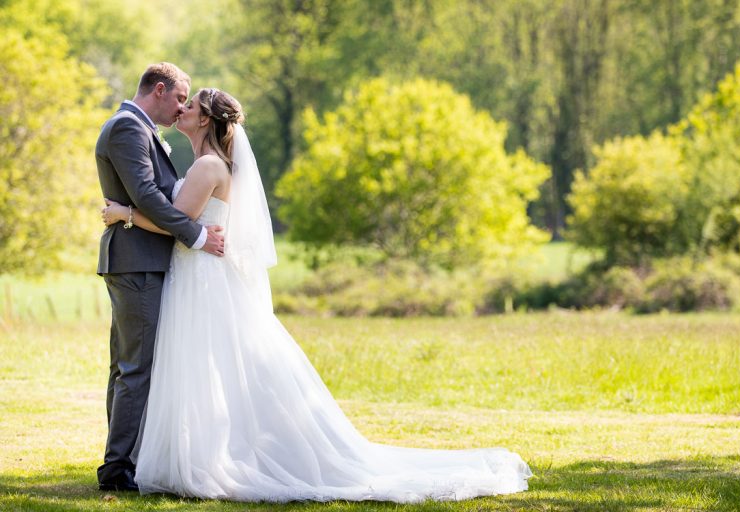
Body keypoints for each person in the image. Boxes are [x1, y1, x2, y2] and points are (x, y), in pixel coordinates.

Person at [100, 87, 532, 503]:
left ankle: (205, 456)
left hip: (202, 279)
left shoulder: (207, 167)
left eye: (189, 104)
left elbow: (179, 224)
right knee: (200, 369)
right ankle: (182, 452)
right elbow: (186, 223)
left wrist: (124, 214)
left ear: (206, 119)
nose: (182, 110)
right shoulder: (208, 164)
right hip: (198, 276)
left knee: (204, 366)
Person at [94, 62, 225, 492]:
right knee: (134, 369)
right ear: (160, 89)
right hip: (137, 261)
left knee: (127, 367)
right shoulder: (129, 127)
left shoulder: (140, 128)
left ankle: (123, 460)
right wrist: (197, 235)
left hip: (142, 259)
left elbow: (149, 197)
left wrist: (130, 214)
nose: (181, 107)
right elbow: (147, 194)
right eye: (179, 98)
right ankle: (117, 470)